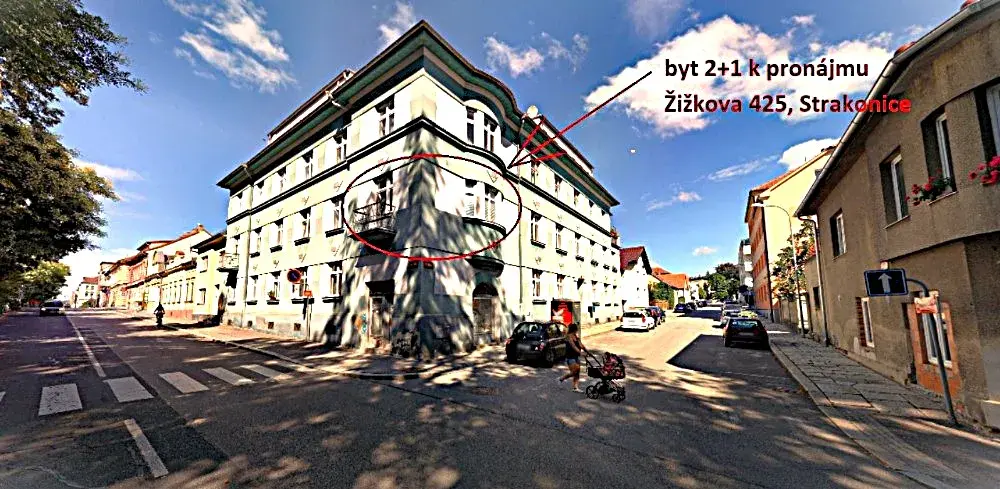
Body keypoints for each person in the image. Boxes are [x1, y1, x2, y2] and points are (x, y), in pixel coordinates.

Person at [558, 323, 587, 392]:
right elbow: (573, 346)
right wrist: (581, 353)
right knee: (574, 371)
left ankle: (575, 388)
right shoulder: (568, 337)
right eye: (576, 329)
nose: (577, 330)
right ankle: (561, 378)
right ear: (574, 329)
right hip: (570, 357)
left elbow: (581, 345)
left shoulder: (576, 337)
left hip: (576, 357)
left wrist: (587, 351)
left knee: (577, 372)